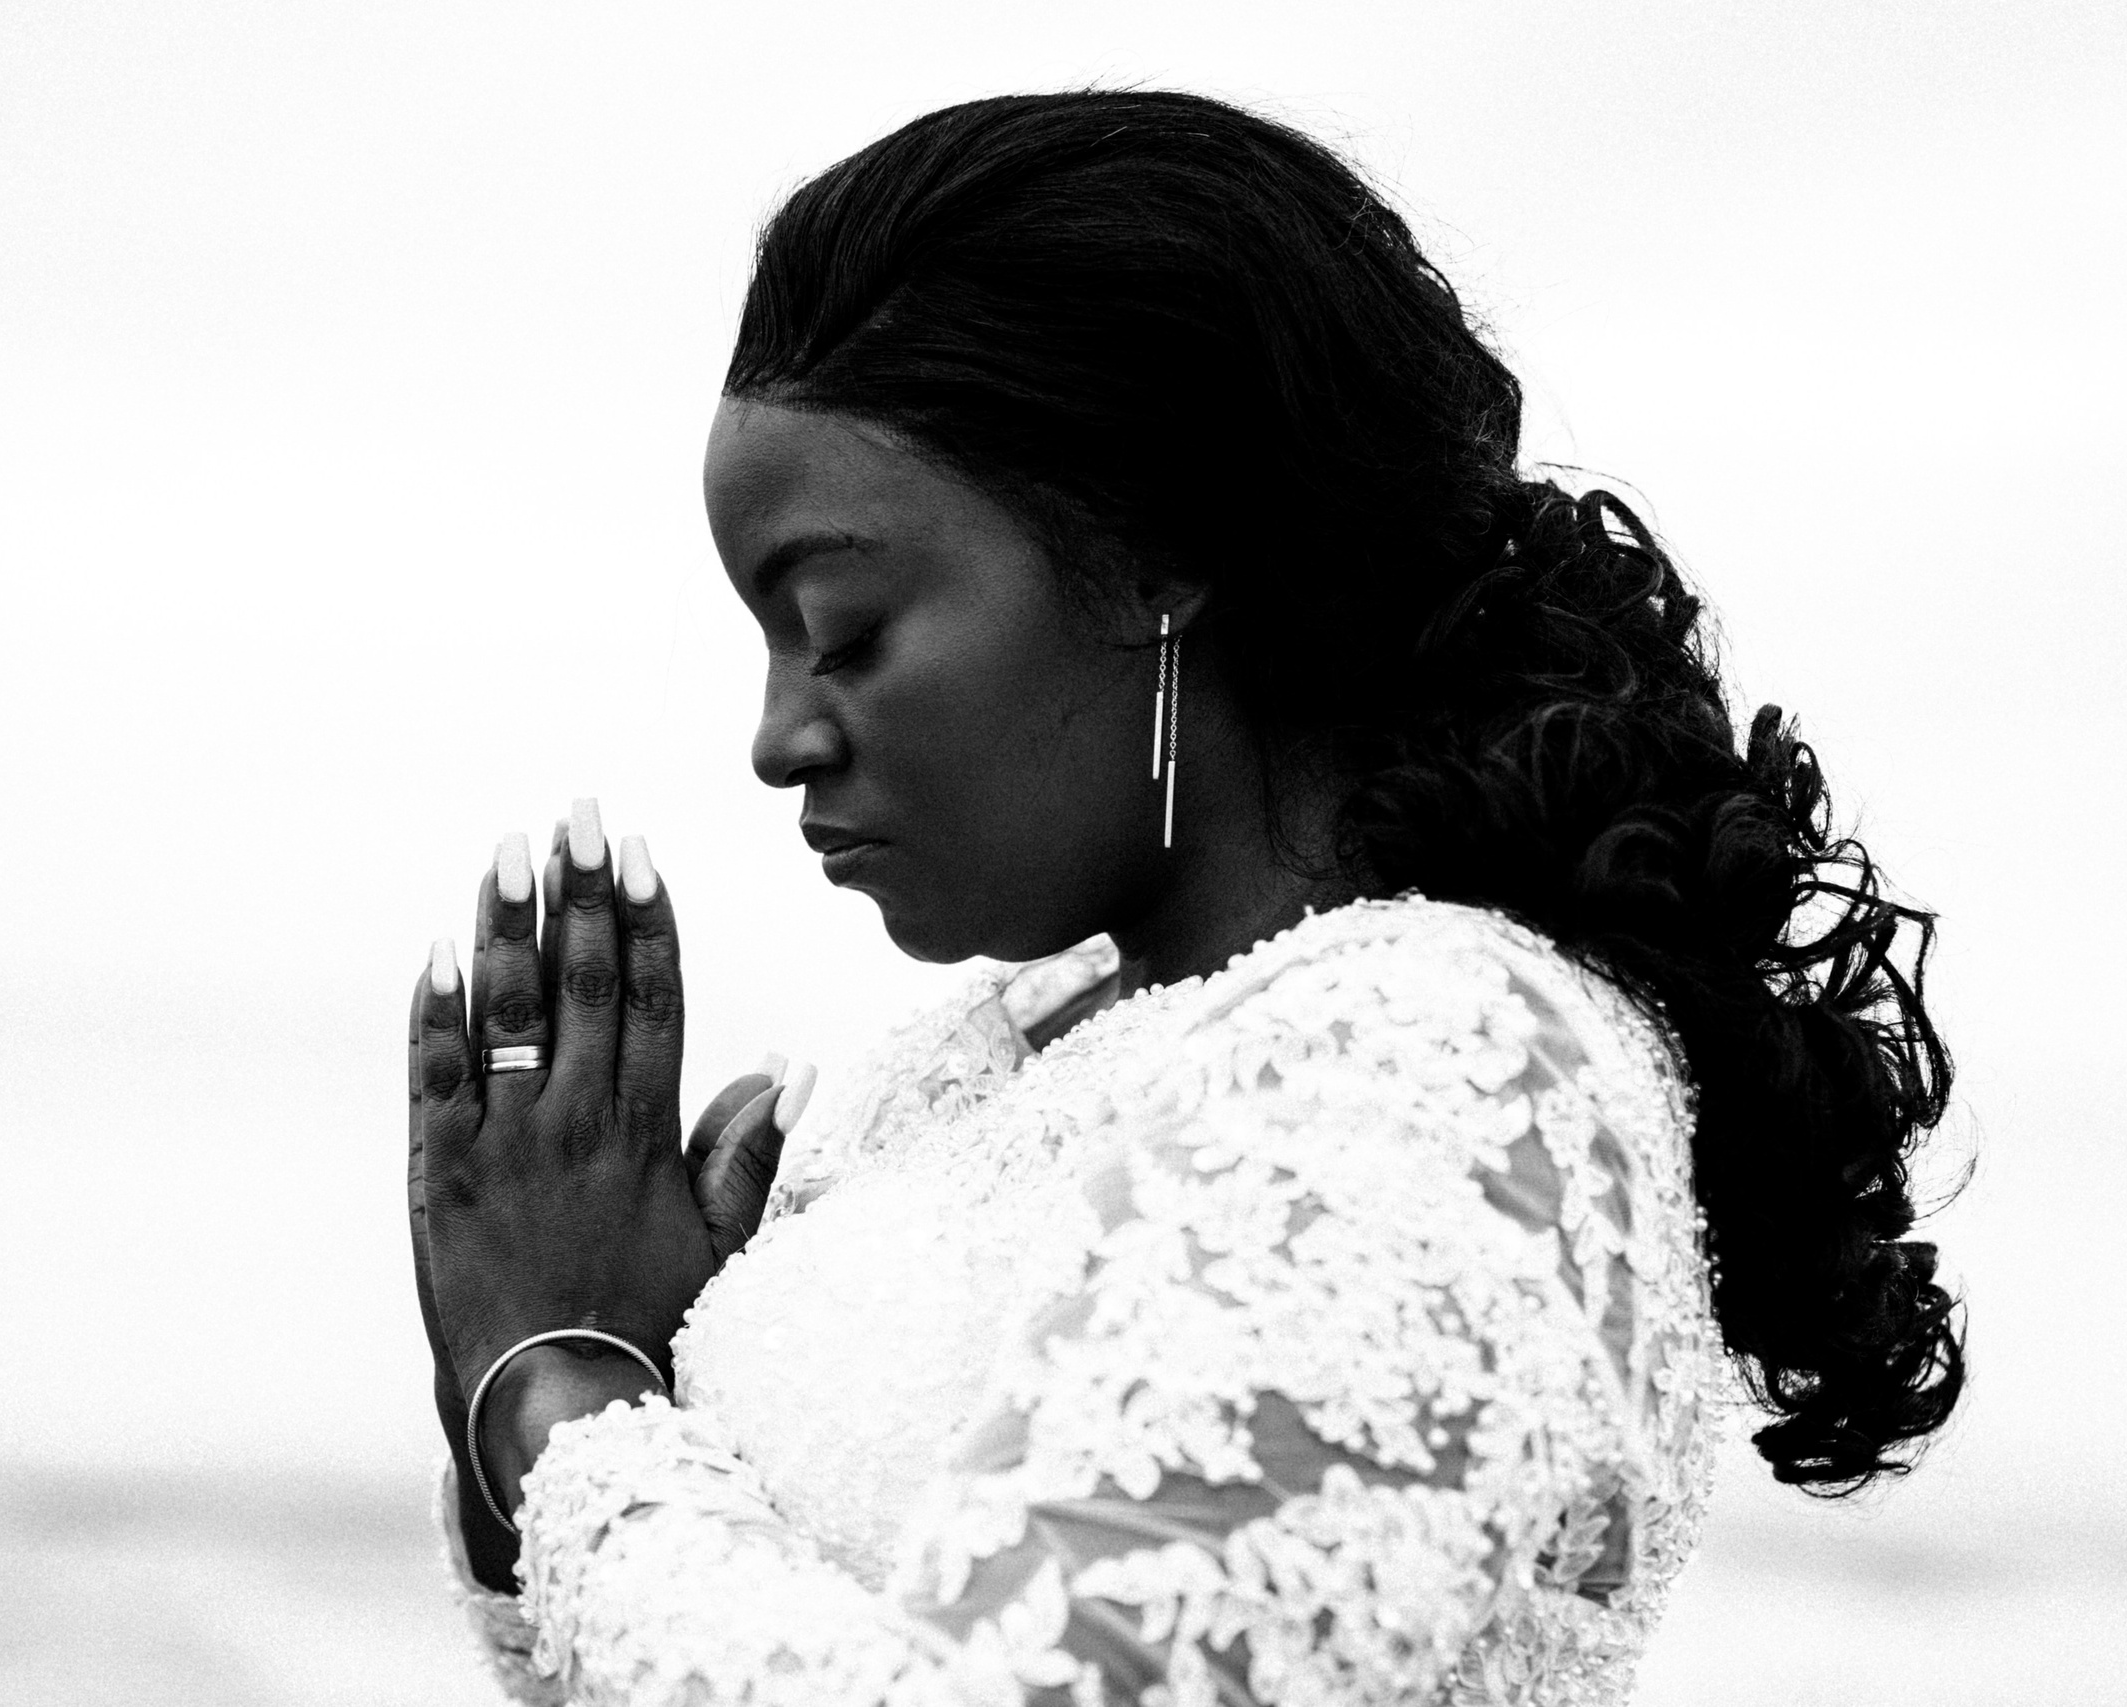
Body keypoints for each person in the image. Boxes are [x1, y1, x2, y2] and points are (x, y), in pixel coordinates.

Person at [405, 91, 1963, 1706]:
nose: (778, 734)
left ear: (1160, 551)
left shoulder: (1442, 1065)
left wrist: (560, 1391)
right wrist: (601, 1393)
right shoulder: (955, 1076)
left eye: (844, 624)